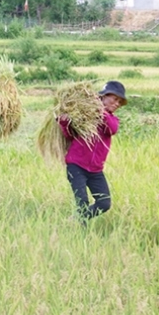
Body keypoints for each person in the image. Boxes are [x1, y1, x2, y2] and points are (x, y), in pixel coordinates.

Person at [59, 81, 127, 222]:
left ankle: (74, 220)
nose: (117, 104)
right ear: (103, 96)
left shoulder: (113, 119)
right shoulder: (85, 116)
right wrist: (64, 123)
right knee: (82, 202)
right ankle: (80, 231)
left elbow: (112, 129)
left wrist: (99, 110)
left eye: (120, 102)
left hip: (96, 170)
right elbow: (70, 136)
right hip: (76, 165)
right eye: (114, 99)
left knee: (104, 203)